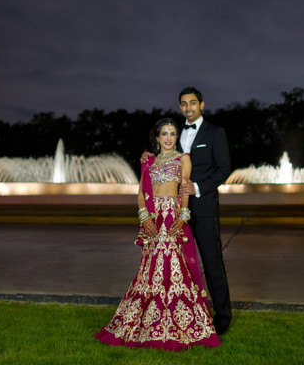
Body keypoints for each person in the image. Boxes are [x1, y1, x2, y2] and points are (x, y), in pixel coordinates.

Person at [95, 118, 221, 351]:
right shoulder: (148, 161)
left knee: (174, 266)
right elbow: (141, 194)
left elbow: (185, 189)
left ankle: (180, 323)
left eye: (173, 133)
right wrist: (145, 217)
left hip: (173, 218)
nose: (169, 138)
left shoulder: (183, 159)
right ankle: (148, 322)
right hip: (153, 219)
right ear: (157, 137)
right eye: (165, 133)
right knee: (149, 268)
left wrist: (183, 216)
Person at [141, 87, 232, 335]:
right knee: (178, 265)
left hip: (202, 208)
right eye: (184, 104)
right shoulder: (176, 133)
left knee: (212, 263)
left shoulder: (215, 132)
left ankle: (222, 316)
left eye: (193, 103)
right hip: (172, 213)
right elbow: (163, 153)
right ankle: (184, 312)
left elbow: (223, 170)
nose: (188, 107)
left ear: (202, 105)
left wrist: (198, 187)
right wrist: (148, 154)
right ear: (180, 107)